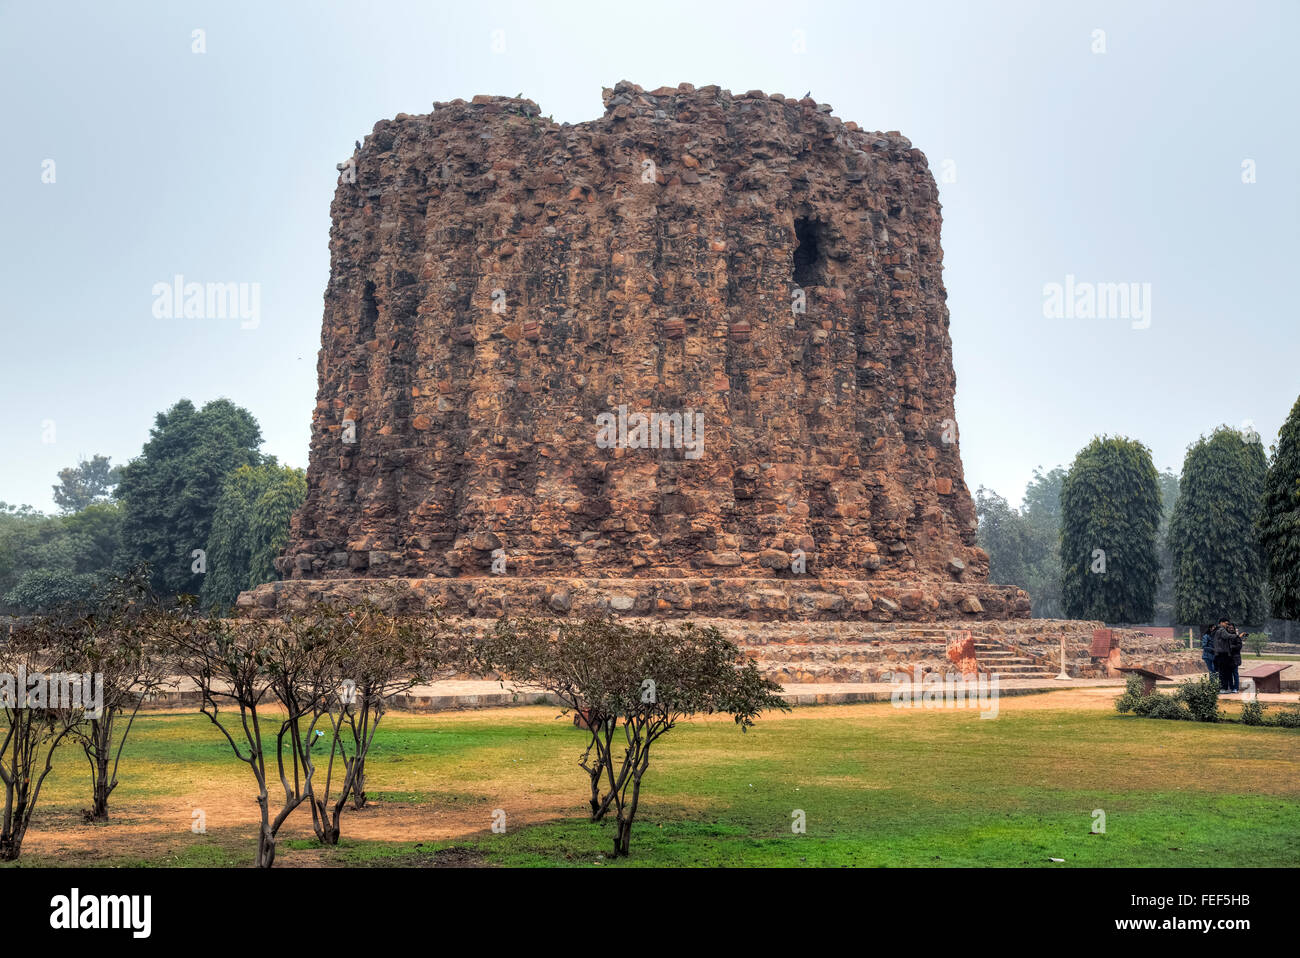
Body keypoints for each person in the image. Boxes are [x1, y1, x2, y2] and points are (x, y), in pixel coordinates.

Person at [1212, 618, 1236, 693]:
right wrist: (1237, 635)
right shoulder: (1221, 630)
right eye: (1226, 623)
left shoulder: (1216, 630)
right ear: (1221, 623)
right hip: (1222, 654)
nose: (1227, 625)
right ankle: (1223, 688)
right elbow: (1227, 636)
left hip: (1218, 654)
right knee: (1224, 672)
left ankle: (1222, 688)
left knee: (1221, 672)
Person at [1230, 627, 1244, 693]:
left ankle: (1236, 688)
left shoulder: (1237, 638)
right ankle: (1231, 687)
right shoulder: (1229, 637)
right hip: (1228, 658)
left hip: (1235, 658)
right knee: (1229, 674)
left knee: (1235, 673)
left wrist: (1231, 647)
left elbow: (1239, 647)